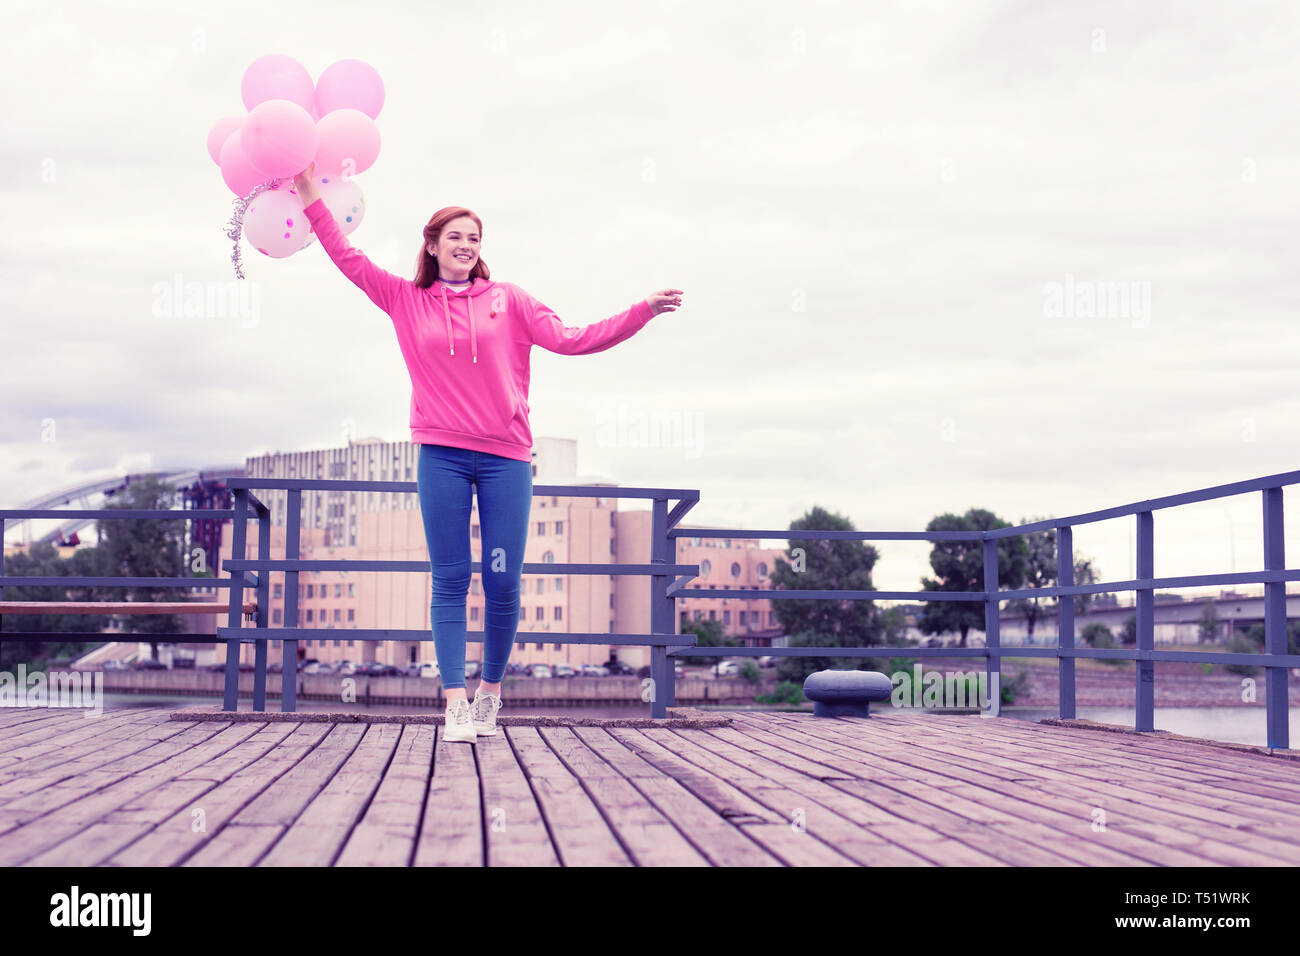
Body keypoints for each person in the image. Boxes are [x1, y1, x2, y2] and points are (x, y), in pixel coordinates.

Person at [291, 164, 683, 743]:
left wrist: (640, 310)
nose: (466, 247)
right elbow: (345, 255)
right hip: (441, 456)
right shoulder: (405, 299)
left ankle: (490, 693)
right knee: (450, 578)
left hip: (506, 459)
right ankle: (453, 702)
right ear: (432, 244)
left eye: (475, 239)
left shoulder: (509, 300)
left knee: (503, 583)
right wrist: (305, 190)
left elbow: (574, 339)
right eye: (456, 237)